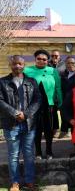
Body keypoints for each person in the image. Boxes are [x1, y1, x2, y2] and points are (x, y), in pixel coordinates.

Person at [0, 55, 41, 191]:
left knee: (29, 154)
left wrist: (26, 114)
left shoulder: (31, 81)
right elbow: (0, 101)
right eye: (14, 64)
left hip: (29, 124)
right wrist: (15, 113)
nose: (17, 66)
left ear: (24, 65)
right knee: (13, 155)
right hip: (11, 124)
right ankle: (15, 183)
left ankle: (29, 181)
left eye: (20, 64)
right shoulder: (2, 82)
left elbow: (37, 100)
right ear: (10, 65)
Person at [24, 50, 63, 160]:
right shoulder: (27, 71)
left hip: (50, 105)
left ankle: (49, 151)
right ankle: (38, 152)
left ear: (48, 60)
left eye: (44, 59)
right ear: (35, 59)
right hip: (33, 106)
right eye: (39, 59)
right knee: (36, 129)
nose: (41, 61)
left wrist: (60, 101)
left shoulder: (53, 71)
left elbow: (58, 87)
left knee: (48, 129)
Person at [59, 56, 75, 139]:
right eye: (68, 63)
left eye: (72, 63)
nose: (70, 65)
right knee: (68, 121)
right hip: (65, 103)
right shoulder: (63, 75)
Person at [48, 49, 64, 138]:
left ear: (59, 56)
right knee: (53, 112)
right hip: (51, 93)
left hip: (62, 92)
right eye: (52, 56)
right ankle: (54, 130)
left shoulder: (63, 65)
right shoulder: (47, 65)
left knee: (63, 112)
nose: (54, 58)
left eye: (56, 56)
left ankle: (65, 130)